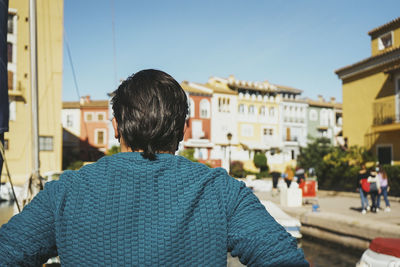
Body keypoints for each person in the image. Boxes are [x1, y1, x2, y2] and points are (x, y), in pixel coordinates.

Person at [0, 70, 308, 266]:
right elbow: (284, 259)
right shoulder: (221, 191)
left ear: (116, 127)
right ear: (183, 130)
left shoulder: (65, 192)